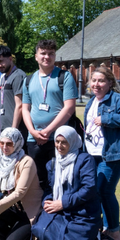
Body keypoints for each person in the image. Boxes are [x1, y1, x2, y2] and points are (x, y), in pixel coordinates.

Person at [85, 67, 120, 240]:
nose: (96, 84)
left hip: (113, 155)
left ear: (110, 83)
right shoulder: (91, 102)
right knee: (97, 191)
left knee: (105, 190)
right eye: (94, 81)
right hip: (93, 154)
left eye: (101, 81)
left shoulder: (119, 99)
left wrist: (107, 119)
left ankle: (114, 233)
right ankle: (105, 228)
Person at [31, 126, 103, 240]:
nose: (59, 146)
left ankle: (94, 239)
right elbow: (49, 189)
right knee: (41, 228)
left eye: (64, 142)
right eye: (57, 141)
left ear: (73, 141)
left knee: (75, 236)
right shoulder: (52, 163)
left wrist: (63, 203)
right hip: (59, 208)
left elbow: (89, 189)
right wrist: (48, 201)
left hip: (82, 211)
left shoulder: (85, 160)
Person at [22, 40, 77, 195]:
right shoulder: (28, 80)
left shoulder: (64, 77)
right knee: (37, 180)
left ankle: (58, 215)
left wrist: (47, 131)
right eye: (43, 53)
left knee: (60, 180)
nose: (47, 57)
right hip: (34, 140)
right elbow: (25, 109)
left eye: (51, 53)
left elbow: (69, 107)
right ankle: (40, 215)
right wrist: (33, 132)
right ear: (36, 56)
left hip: (58, 139)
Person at [0, 45, 28, 146]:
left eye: (1, 61)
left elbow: (19, 105)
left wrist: (13, 131)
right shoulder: (4, 77)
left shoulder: (18, 75)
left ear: (10, 59)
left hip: (17, 131)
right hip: (6, 130)